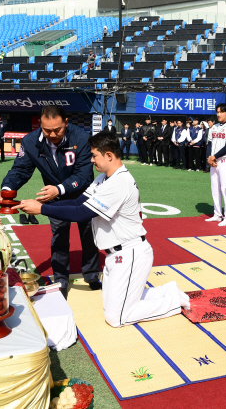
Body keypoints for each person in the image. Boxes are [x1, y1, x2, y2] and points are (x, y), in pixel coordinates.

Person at [15, 132, 189, 327]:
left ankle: (174, 301)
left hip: (131, 253)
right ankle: (169, 290)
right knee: (113, 306)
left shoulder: (119, 182)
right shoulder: (102, 178)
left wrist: (41, 209)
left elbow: (81, 213)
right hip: (116, 255)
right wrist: (42, 204)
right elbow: (77, 202)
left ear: (109, 155)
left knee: (117, 318)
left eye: (94, 155)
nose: (91, 160)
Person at [0, 105, 99, 299]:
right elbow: (20, 169)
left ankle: (92, 276)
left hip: (84, 195)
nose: (52, 134)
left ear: (66, 123)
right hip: (55, 197)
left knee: (89, 236)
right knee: (59, 236)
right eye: (47, 130)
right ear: (40, 125)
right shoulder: (30, 141)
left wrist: (58, 188)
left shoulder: (82, 138)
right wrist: (7, 189)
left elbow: (84, 175)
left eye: (57, 129)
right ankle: (61, 280)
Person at [206, 103, 226, 226]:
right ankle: (217, 214)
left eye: (221, 112)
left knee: (225, 189)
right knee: (215, 189)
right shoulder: (214, 127)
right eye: (217, 112)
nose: (218, 114)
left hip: (225, 161)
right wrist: (209, 158)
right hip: (214, 163)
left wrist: (214, 157)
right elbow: (209, 144)